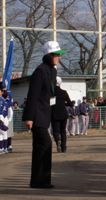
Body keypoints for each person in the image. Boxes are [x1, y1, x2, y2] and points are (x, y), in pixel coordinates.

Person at [22, 40, 64, 189]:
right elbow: (32, 95)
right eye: (56, 55)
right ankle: (38, 180)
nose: (59, 57)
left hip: (46, 113)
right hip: (37, 114)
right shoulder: (40, 71)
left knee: (43, 146)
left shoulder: (52, 71)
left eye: (59, 55)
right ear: (48, 55)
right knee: (45, 144)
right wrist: (28, 117)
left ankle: (43, 180)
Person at [51, 76, 72, 153]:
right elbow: (70, 103)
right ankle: (64, 147)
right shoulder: (64, 92)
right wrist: (65, 103)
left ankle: (58, 142)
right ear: (60, 83)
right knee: (63, 131)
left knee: (56, 131)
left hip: (54, 114)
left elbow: (50, 104)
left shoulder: (51, 92)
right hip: (63, 114)